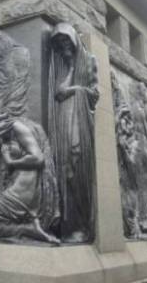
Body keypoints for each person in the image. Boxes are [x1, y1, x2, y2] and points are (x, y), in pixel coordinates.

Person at [48, 23, 99, 243]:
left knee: (77, 169)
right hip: (63, 123)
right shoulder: (59, 65)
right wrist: (69, 72)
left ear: (74, 40)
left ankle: (83, 225)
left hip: (80, 122)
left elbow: (94, 95)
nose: (63, 45)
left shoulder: (89, 61)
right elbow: (58, 93)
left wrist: (75, 91)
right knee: (66, 168)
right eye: (59, 43)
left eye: (66, 40)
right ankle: (68, 225)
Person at [0, 117, 59, 244]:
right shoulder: (11, 134)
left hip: (22, 189)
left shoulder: (17, 127)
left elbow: (38, 159)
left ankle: (27, 230)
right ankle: (29, 228)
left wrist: (10, 161)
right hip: (23, 188)